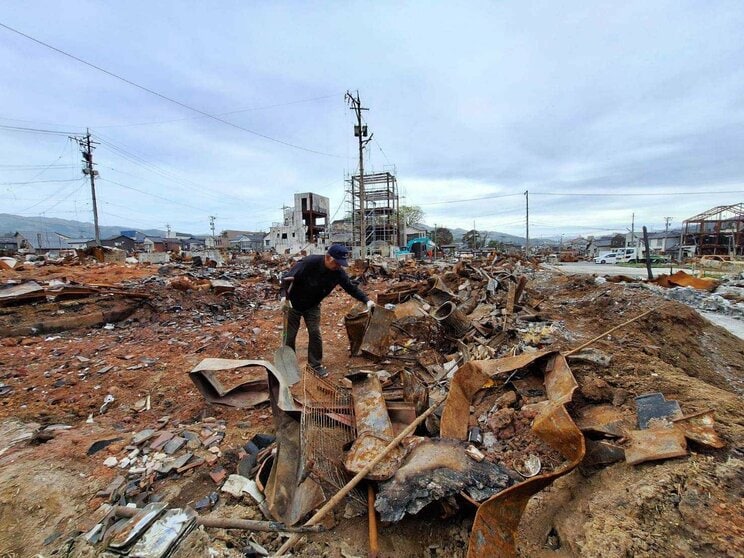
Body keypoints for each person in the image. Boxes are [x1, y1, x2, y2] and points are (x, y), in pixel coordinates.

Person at [280, 244, 374, 377]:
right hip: (293, 304)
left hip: (313, 305)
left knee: (315, 333)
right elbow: (286, 279)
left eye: (341, 263)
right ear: (328, 257)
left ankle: (315, 365)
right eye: (336, 262)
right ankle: (288, 366)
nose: (338, 266)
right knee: (289, 335)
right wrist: (283, 296)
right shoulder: (309, 263)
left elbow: (350, 288)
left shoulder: (338, 272)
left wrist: (367, 300)